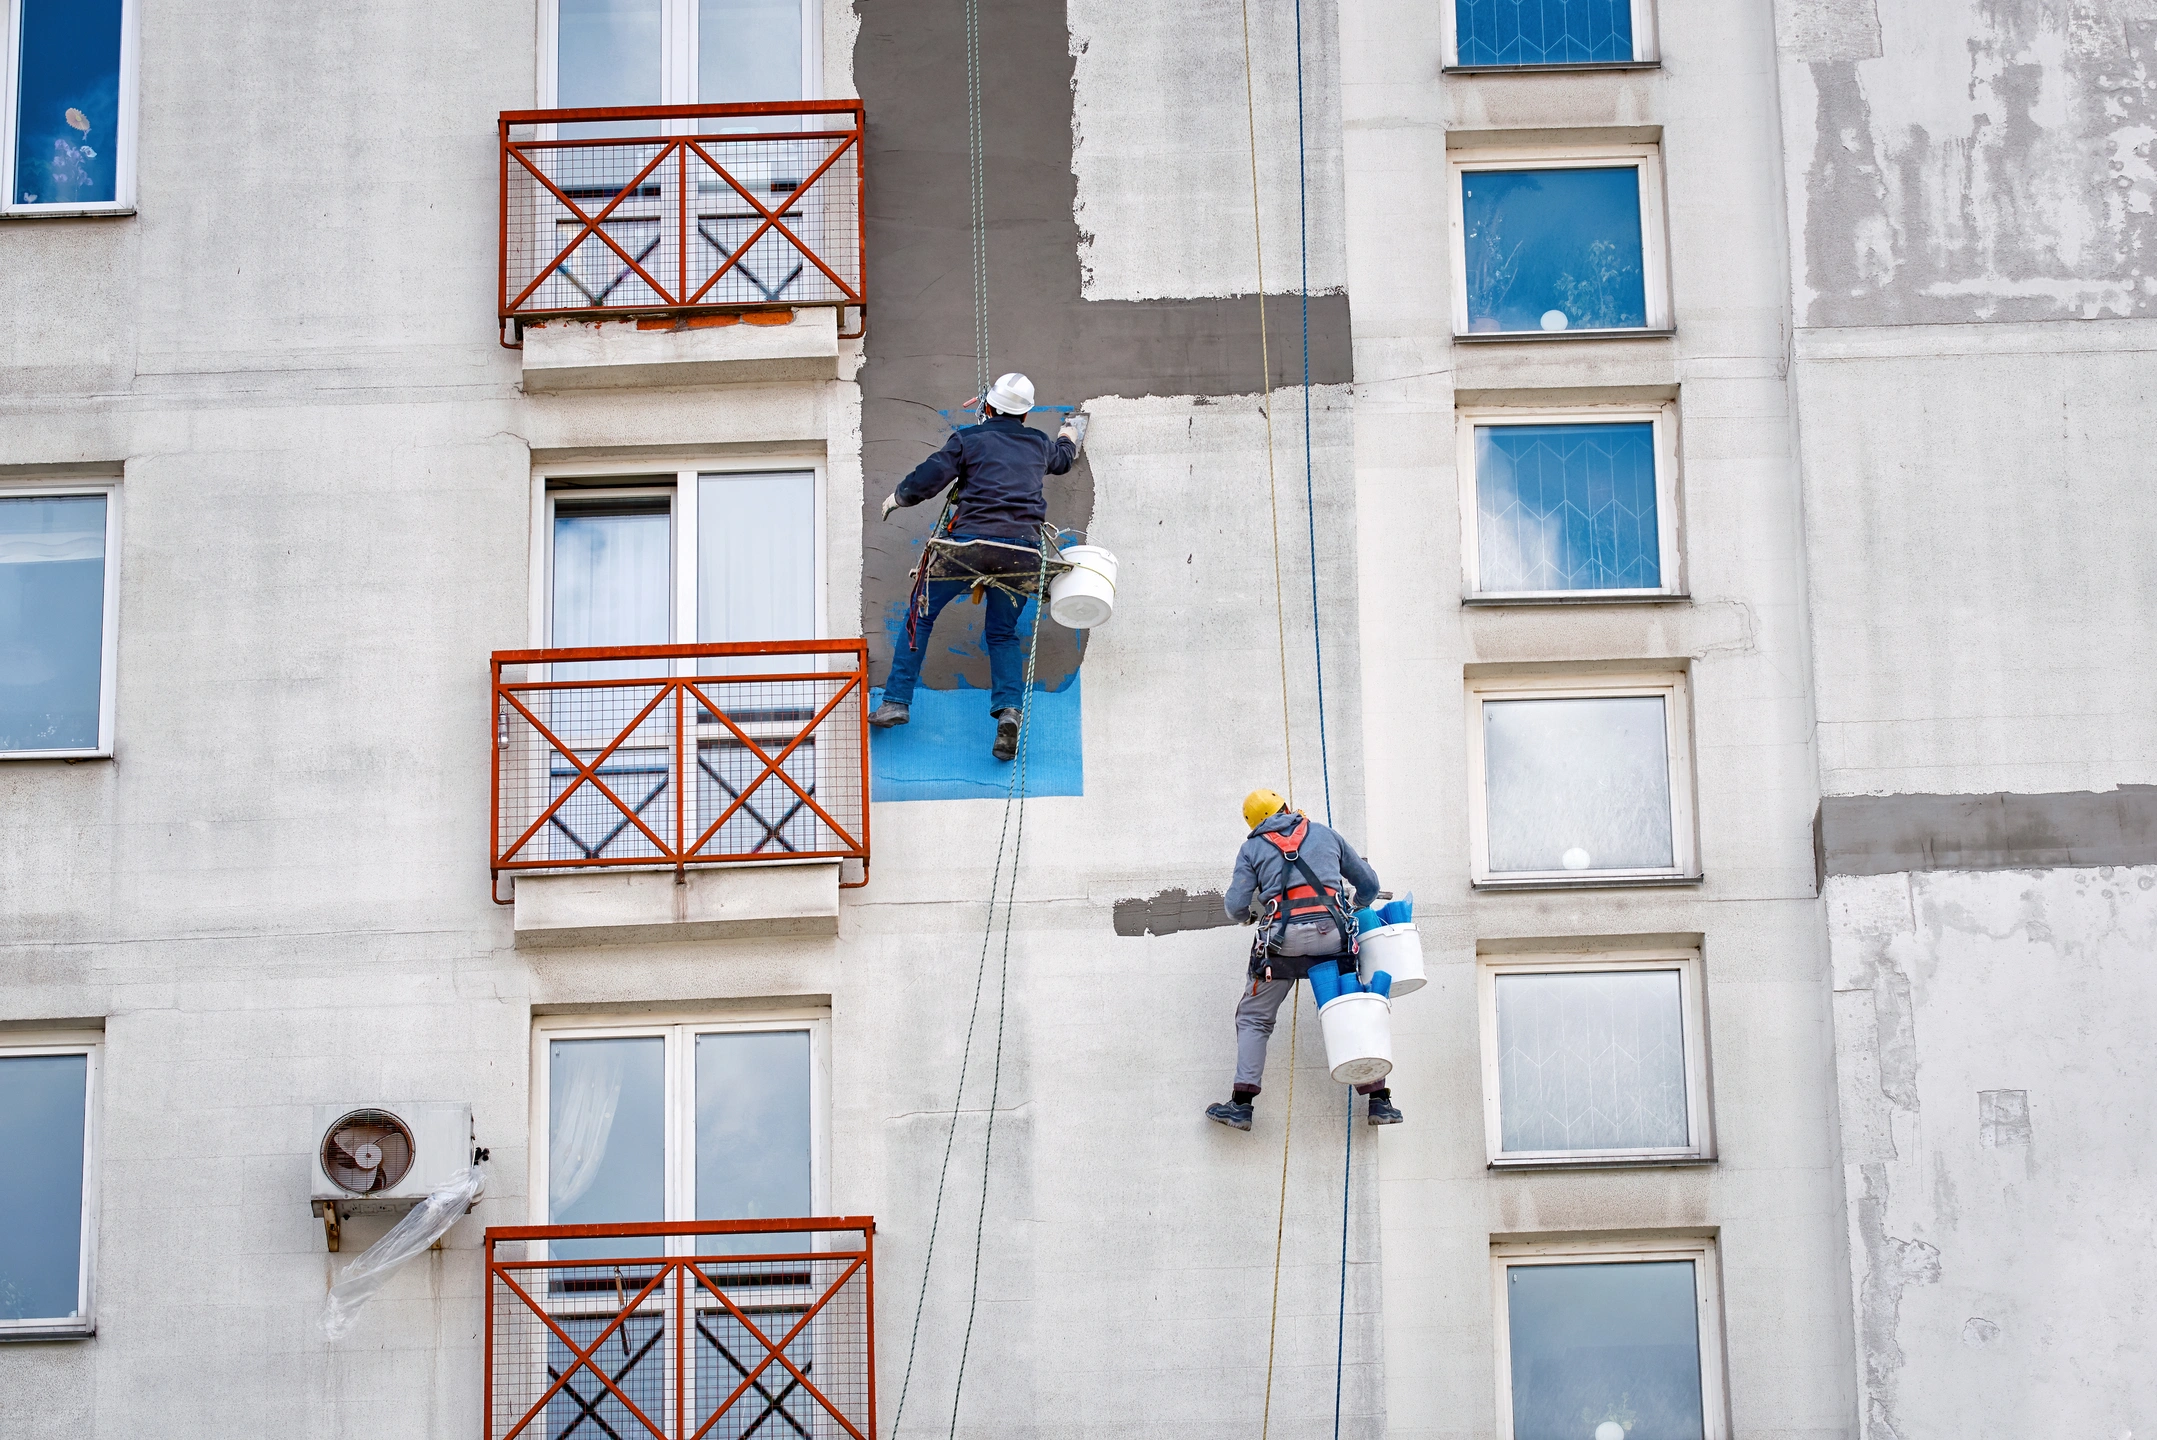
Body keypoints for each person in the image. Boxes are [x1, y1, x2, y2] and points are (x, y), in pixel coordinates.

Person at [871, 372, 1084, 761]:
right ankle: (1008, 712)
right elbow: (1064, 458)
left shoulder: (969, 440)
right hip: (1021, 553)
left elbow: (929, 478)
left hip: (970, 547)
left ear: (987, 408)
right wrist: (1071, 431)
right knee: (1002, 633)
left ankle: (897, 701)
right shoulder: (1038, 443)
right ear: (1024, 415)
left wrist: (898, 498)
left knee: (922, 613)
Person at [1206, 789, 1405, 1130]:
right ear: (1286, 808)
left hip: (1282, 945)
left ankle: (1241, 1105)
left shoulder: (1252, 848)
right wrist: (1355, 903)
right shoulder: (1326, 834)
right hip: (1332, 937)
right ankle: (1378, 1100)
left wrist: (1246, 917)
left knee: (1254, 1018)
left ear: (1255, 824)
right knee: (1352, 1006)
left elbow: (1234, 905)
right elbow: (1369, 884)